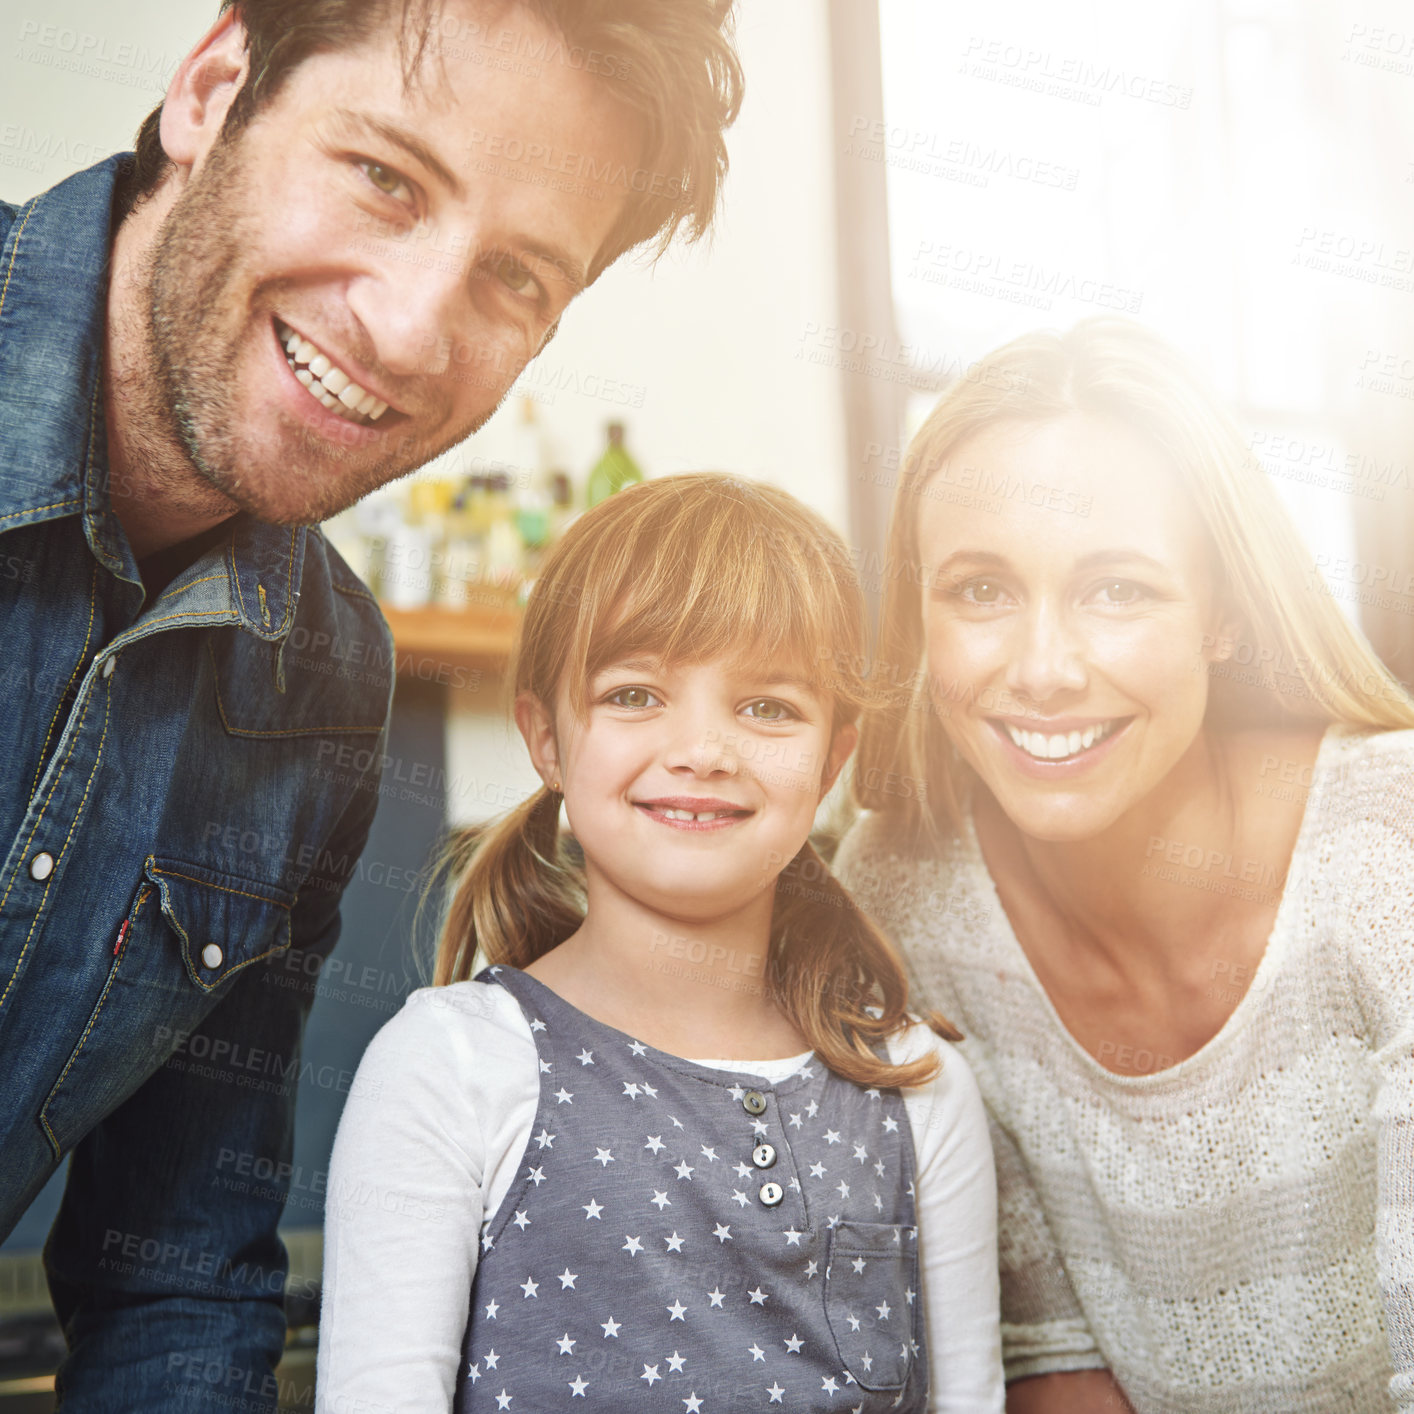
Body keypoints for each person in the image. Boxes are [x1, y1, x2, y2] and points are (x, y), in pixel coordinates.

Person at [0, 1, 741, 1408]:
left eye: (516, 278)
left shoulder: (321, 685)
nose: (408, 331)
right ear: (214, 88)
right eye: (385, 177)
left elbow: (172, 1270)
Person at [317, 473, 1006, 1412]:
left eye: (767, 707)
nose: (703, 749)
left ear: (832, 760)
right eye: (636, 694)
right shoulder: (449, 1068)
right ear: (547, 740)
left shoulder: (918, 1089)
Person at [833, 318, 1414, 1414]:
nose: (1043, 669)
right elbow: (1050, 1359)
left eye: (1118, 590)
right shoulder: (905, 892)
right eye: (979, 590)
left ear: (1223, 616)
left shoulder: (1393, 839)